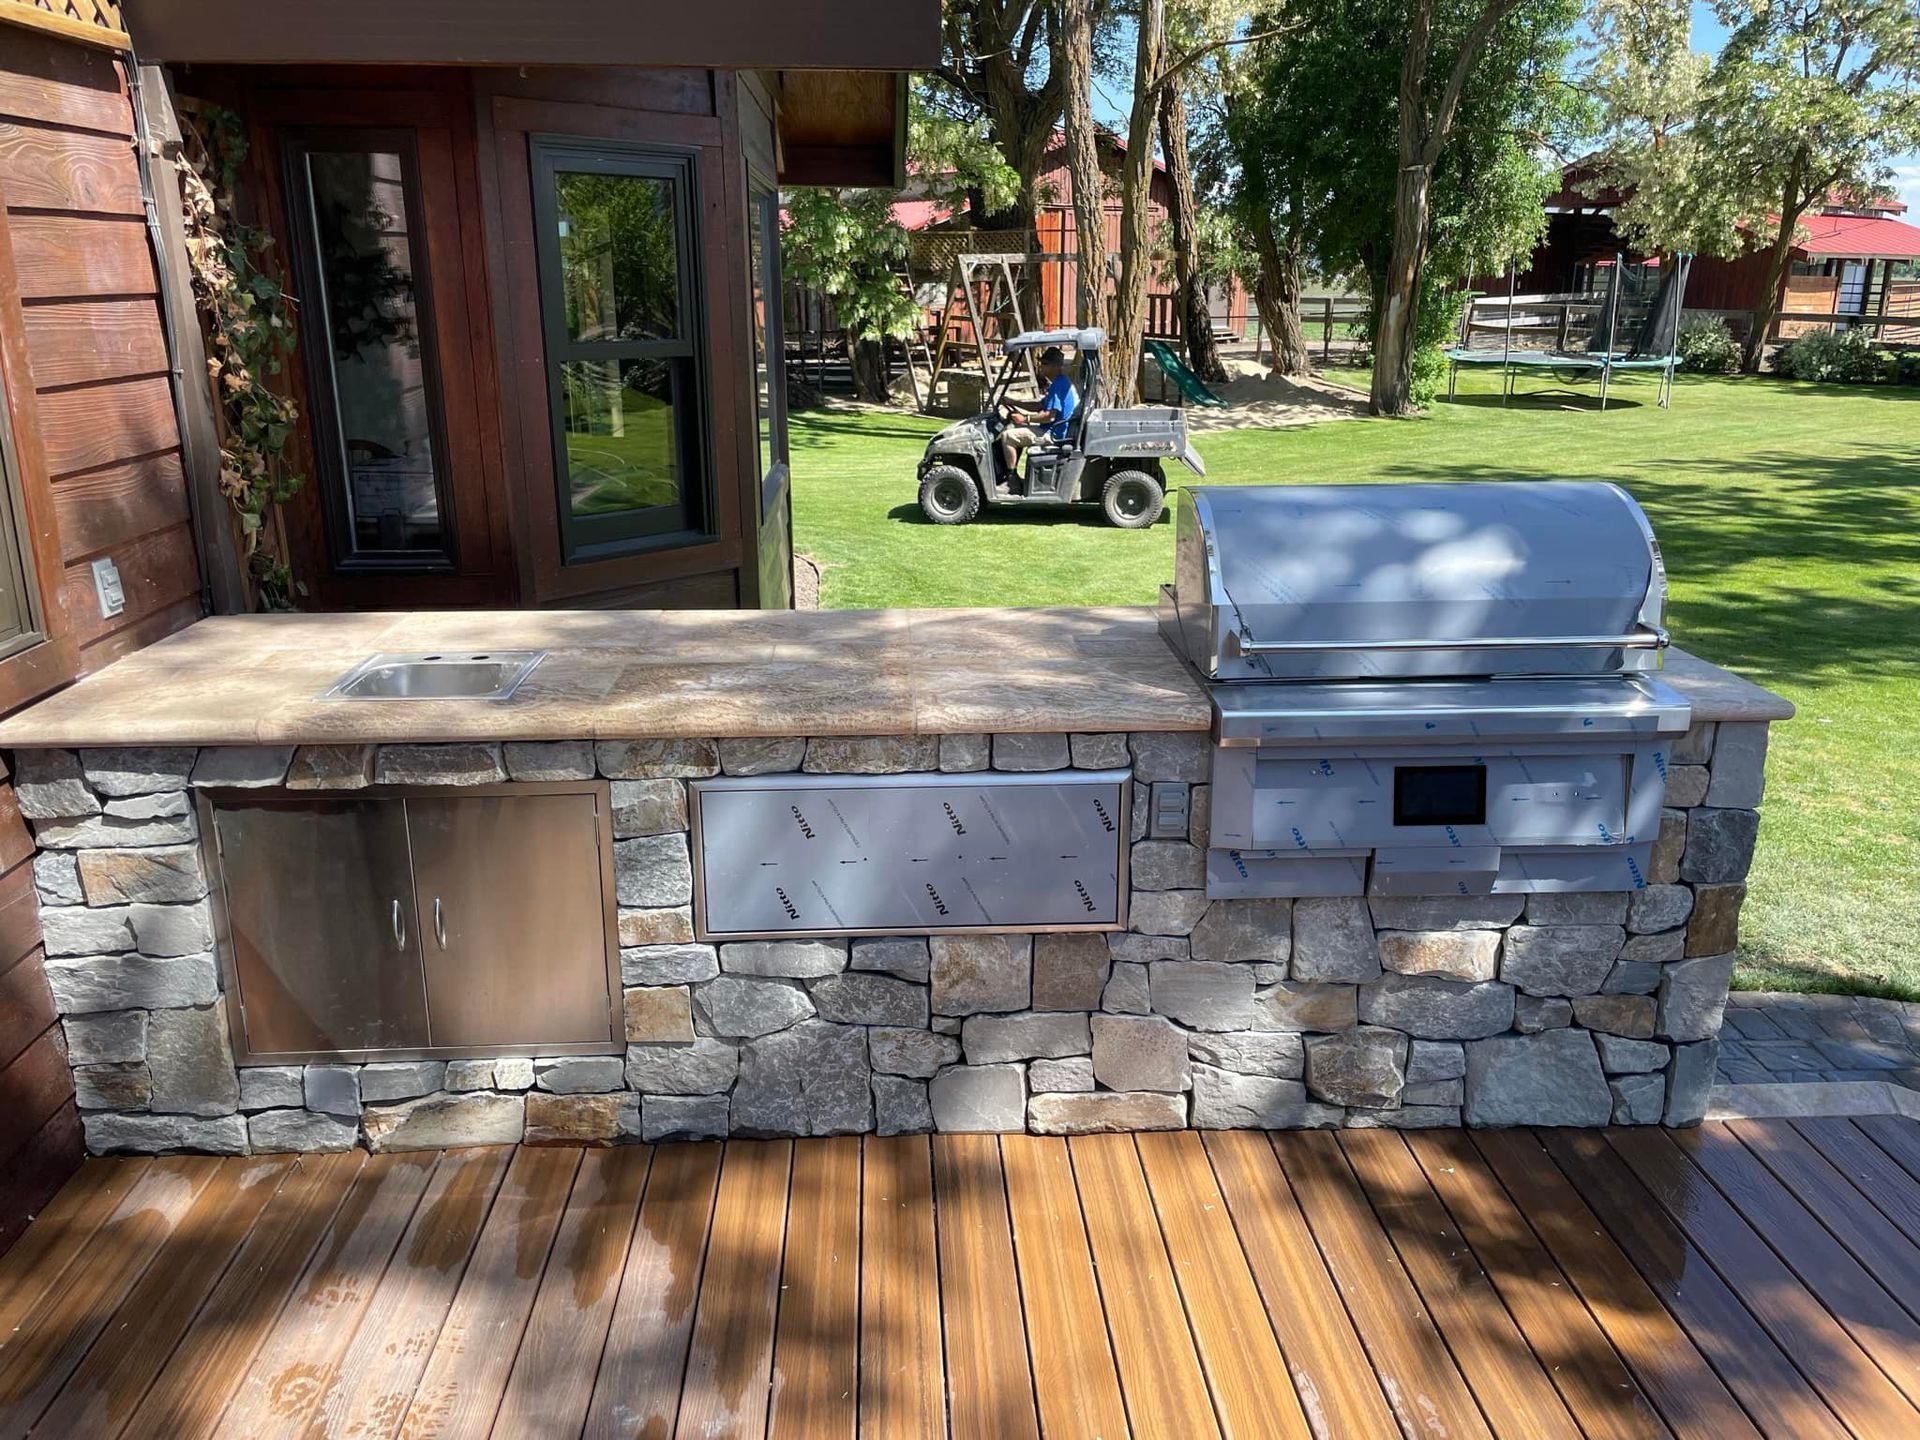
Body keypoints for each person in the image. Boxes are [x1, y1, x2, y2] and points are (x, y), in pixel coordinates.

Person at [999, 345, 1079, 478]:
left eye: (1045, 363)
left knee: (1007, 437)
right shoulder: (1060, 382)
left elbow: (1049, 416)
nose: (1041, 366)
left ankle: (1011, 479)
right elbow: (1039, 406)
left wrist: (1026, 419)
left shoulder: (1058, 385)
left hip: (1053, 434)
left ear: (1055, 366)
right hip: (1055, 429)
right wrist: (1013, 402)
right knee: (1014, 428)